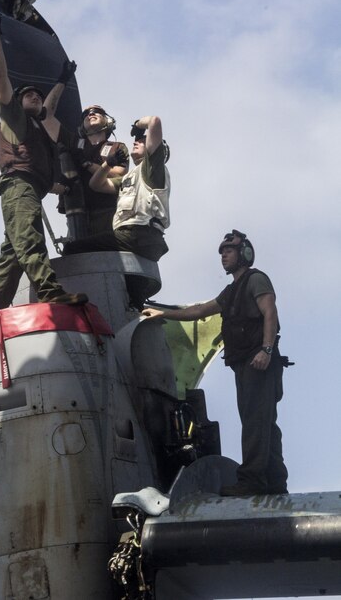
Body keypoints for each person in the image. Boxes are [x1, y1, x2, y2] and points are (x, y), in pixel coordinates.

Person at [144, 230, 289, 497]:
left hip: (259, 362)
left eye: (229, 251)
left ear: (244, 254)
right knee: (262, 422)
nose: (223, 256)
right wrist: (163, 314)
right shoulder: (231, 291)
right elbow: (198, 311)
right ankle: (275, 480)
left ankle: (253, 480)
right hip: (245, 364)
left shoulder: (256, 280)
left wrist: (266, 350)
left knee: (256, 422)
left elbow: (270, 313)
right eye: (222, 252)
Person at [0, 15, 88, 313]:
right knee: (29, 240)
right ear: (18, 100)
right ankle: (51, 292)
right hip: (18, 187)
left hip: (32, 189)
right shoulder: (15, 119)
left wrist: (62, 81)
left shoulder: (42, 130)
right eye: (28, 94)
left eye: (37, 95)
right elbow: (2, 80)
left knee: (13, 257)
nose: (35, 97)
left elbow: (49, 105)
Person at [62, 115, 170, 308]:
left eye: (142, 142)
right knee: (129, 294)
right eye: (136, 140)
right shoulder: (130, 178)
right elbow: (96, 184)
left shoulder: (153, 169)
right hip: (133, 238)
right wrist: (107, 164)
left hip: (139, 234)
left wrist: (138, 126)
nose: (136, 142)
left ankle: (68, 302)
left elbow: (154, 122)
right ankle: (134, 308)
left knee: (73, 249)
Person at [44, 65, 129, 236]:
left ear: (108, 121)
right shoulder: (73, 142)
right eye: (87, 114)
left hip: (108, 214)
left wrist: (86, 164)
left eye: (97, 112)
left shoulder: (117, 147)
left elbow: (118, 174)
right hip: (77, 216)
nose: (91, 114)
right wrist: (62, 82)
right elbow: (46, 116)